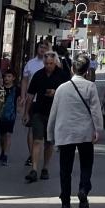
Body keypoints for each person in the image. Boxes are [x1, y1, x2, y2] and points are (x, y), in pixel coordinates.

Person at [49, 54, 103, 208]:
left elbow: (54, 112)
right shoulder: (90, 86)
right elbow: (95, 110)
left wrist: (50, 133)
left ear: (72, 69)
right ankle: (83, 189)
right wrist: (98, 129)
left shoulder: (62, 88)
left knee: (65, 168)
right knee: (86, 164)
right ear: (87, 71)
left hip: (65, 132)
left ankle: (65, 200)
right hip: (85, 132)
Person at [25, 50, 70, 184]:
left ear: (55, 62)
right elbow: (30, 95)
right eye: (46, 63)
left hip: (54, 113)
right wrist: (26, 112)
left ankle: (45, 167)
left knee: (49, 142)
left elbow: (68, 94)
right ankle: (34, 169)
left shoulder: (63, 75)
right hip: (38, 111)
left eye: (51, 63)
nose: (48, 66)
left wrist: (56, 92)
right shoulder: (38, 75)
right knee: (37, 140)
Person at [22, 40, 56, 167]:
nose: (42, 49)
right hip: (33, 100)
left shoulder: (53, 63)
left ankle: (40, 157)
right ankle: (32, 155)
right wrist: (23, 95)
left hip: (49, 102)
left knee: (47, 134)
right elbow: (25, 80)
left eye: (45, 48)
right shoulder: (30, 64)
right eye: (40, 47)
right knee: (32, 129)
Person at [0, 70, 21, 166]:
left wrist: (19, 108)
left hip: (11, 115)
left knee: (8, 134)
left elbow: (20, 100)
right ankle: (3, 150)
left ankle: (6, 155)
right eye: (5, 76)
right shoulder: (1, 89)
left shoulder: (16, 89)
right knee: (1, 136)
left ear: (13, 78)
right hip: (1, 115)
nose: (6, 78)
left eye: (9, 76)